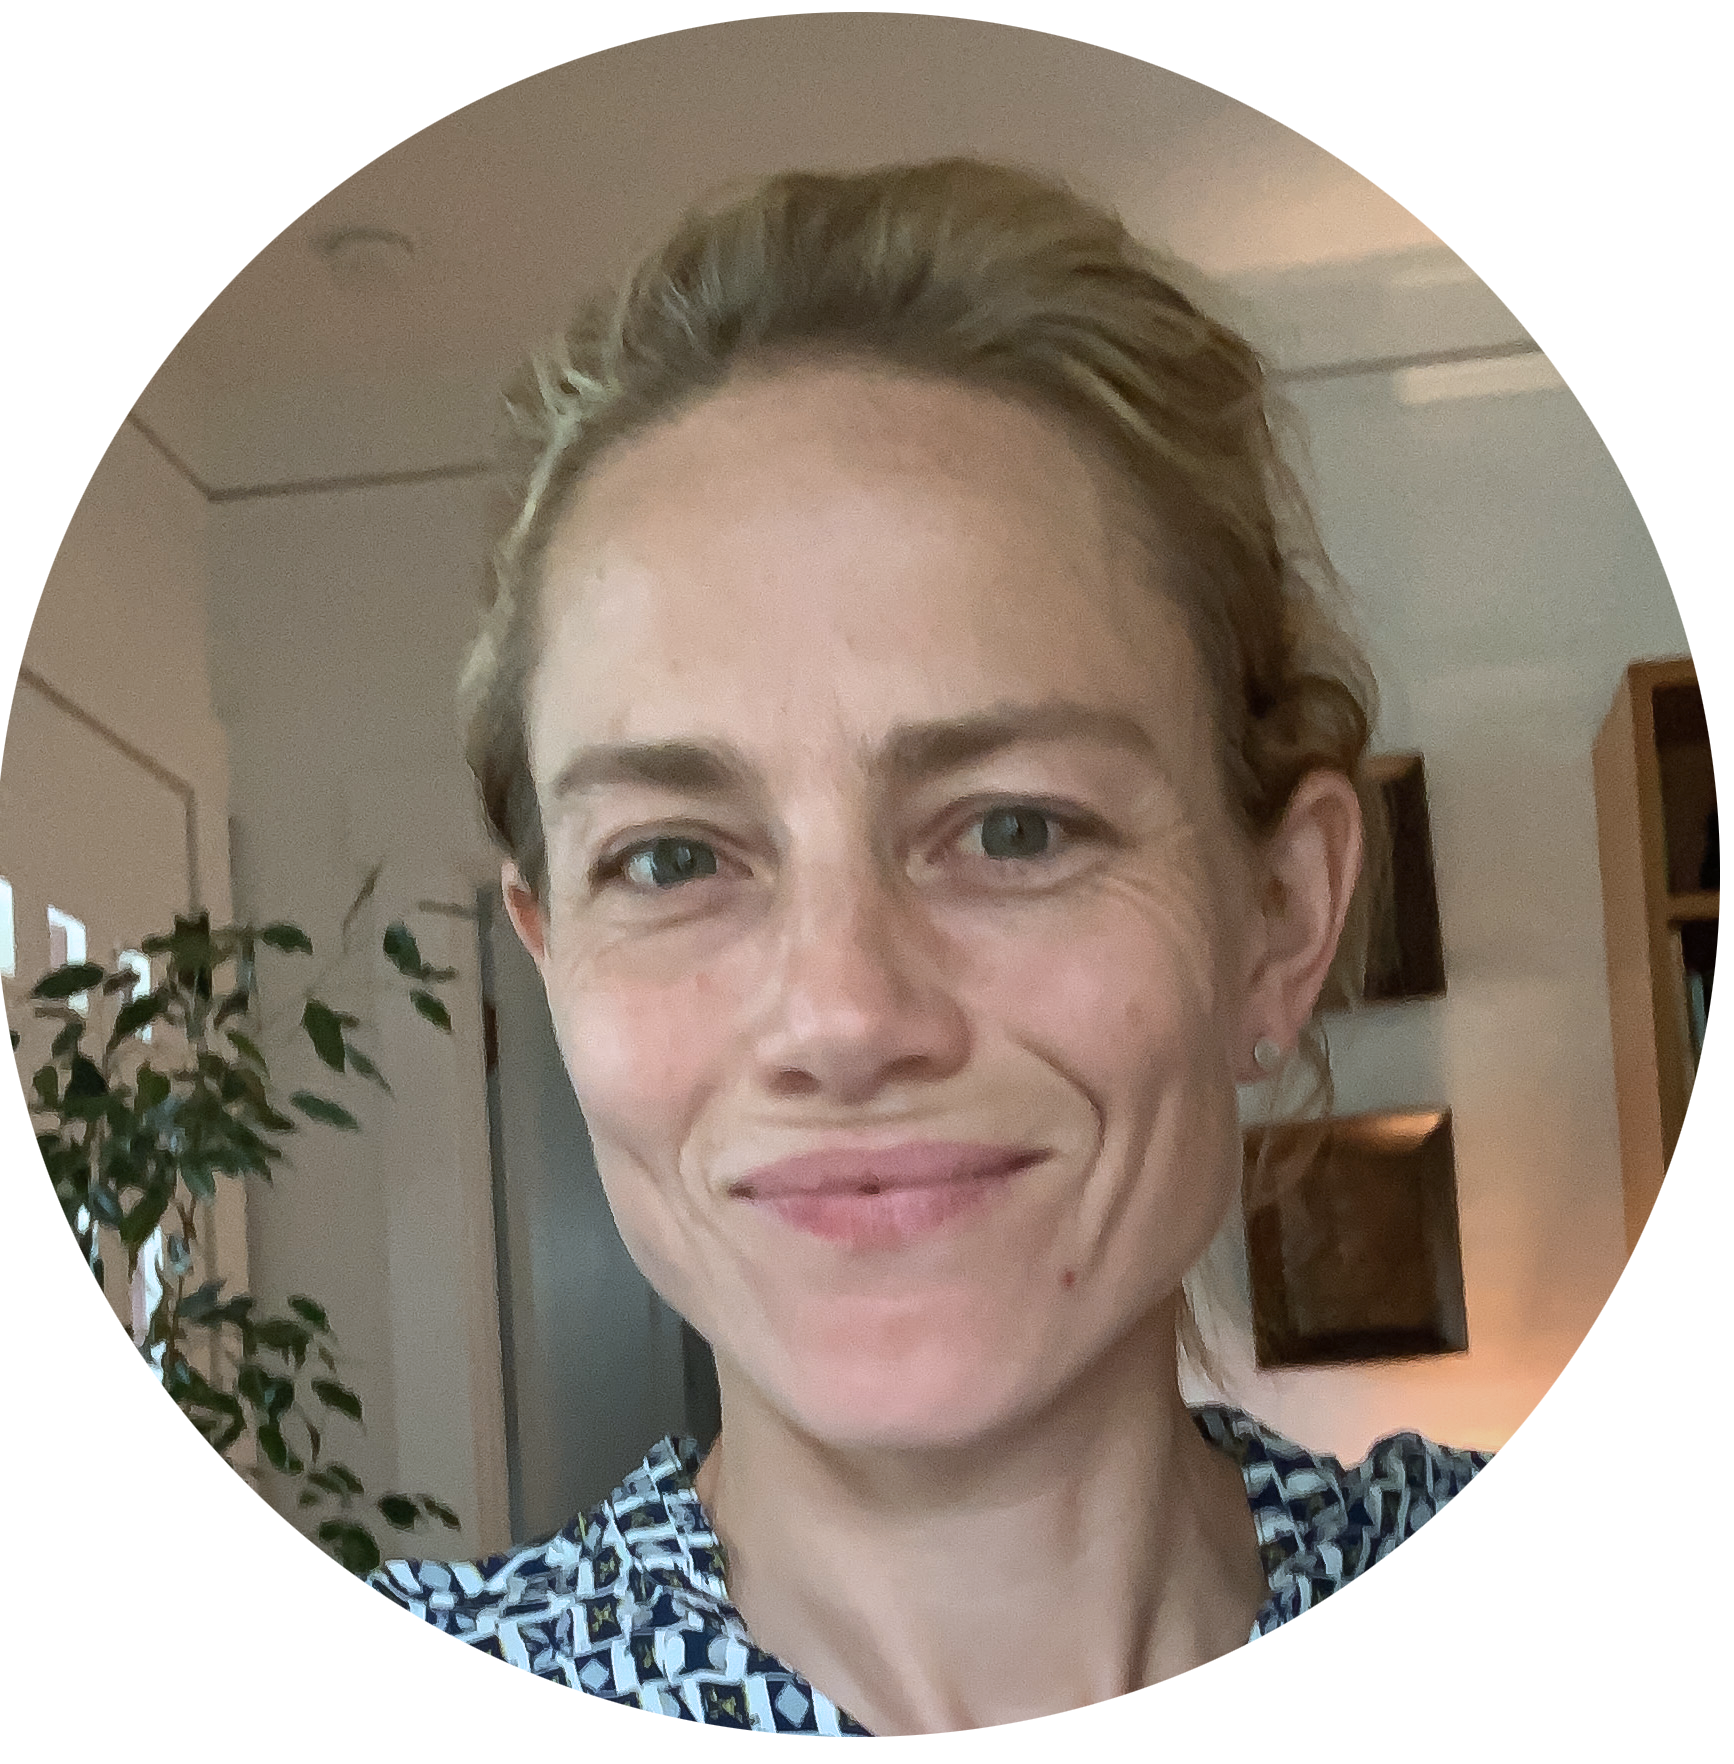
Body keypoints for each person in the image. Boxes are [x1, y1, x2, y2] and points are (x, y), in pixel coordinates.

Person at [162, 158, 1719, 1738]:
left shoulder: (1657, 1631)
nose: (843, 1013)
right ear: (551, 958)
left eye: (1013, 829)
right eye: (674, 857)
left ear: (1279, 919)